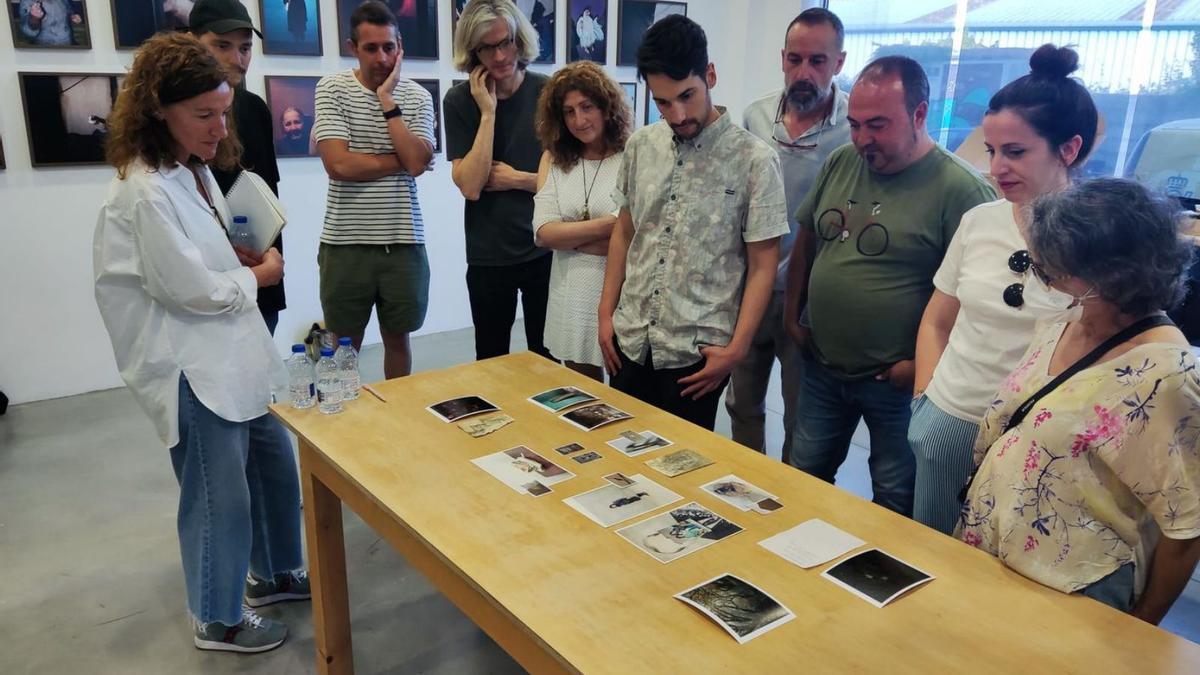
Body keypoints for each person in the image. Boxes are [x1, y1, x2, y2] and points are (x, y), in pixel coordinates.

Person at [94, 32, 307, 653]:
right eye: (203, 115)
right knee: (219, 496)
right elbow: (185, 289)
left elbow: (198, 261)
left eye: (223, 112)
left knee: (273, 466)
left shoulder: (191, 173)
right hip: (188, 365)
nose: (219, 128)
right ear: (160, 110)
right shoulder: (144, 191)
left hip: (230, 354)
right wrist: (257, 275)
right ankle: (217, 616)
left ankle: (273, 574)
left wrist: (231, 256)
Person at [957, 178, 1200, 623]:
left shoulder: (1167, 376)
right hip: (993, 554)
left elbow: (1186, 528)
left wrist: (1140, 628)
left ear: (1114, 274)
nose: (1046, 276)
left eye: (1057, 268)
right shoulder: (1068, 319)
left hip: (1073, 588)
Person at [784, 56, 994, 516]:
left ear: (920, 115)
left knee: (897, 498)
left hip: (898, 384)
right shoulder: (842, 161)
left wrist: (921, 366)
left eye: (878, 125)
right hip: (822, 365)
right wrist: (792, 315)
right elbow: (807, 242)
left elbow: (977, 305)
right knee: (801, 479)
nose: (863, 139)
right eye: (856, 124)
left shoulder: (962, 191)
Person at [909, 45, 1099, 535]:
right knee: (934, 551)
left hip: (1033, 439)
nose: (996, 168)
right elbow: (937, 319)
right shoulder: (979, 220)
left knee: (1002, 575)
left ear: (1069, 149)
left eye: (1015, 152)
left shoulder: (1098, 241)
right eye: (992, 151)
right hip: (949, 417)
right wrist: (925, 399)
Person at [598, 15, 788, 431]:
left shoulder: (754, 161)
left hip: (696, 356)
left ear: (711, 75)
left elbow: (763, 263)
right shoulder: (640, 146)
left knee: (679, 476)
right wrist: (604, 314)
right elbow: (625, 231)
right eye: (663, 102)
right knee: (618, 462)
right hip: (631, 338)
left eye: (687, 95)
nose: (678, 114)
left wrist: (737, 349)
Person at [730, 8, 851, 462]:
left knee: (801, 413)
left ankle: (789, 494)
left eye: (817, 61)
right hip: (749, 286)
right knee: (742, 400)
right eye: (795, 59)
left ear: (838, 62)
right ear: (783, 58)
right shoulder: (755, 116)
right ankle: (745, 481)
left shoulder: (852, 128)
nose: (804, 72)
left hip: (810, 297)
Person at [314, 0, 435, 378]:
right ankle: (340, 424)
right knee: (342, 341)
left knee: (399, 339)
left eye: (389, 47)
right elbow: (338, 165)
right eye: (371, 48)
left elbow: (417, 161)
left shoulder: (417, 97)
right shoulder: (332, 89)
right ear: (353, 48)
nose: (381, 57)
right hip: (345, 243)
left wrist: (387, 102)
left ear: (400, 47)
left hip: (403, 241)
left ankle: (396, 422)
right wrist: (401, 160)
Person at [445, 0, 552, 361]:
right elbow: (471, 185)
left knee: (548, 359)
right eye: (487, 47)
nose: (500, 55)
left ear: (519, 38)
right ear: (472, 51)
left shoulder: (548, 93)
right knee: (490, 362)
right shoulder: (460, 101)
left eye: (505, 42)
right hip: (489, 254)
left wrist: (517, 179)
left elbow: (574, 184)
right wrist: (488, 113)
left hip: (545, 246)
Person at [190, 0, 287, 335]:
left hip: (258, 269)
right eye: (222, 45)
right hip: (204, 280)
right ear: (192, 42)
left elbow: (267, 191)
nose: (236, 58)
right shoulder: (172, 118)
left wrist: (270, 267)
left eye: (245, 47)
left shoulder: (253, 109)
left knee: (260, 377)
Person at [532, 61, 632, 381]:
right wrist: (609, 226)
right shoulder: (555, 159)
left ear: (607, 107)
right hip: (570, 294)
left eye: (587, 107)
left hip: (621, 296)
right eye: (569, 111)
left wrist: (569, 237)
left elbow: (635, 236)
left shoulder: (633, 154)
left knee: (628, 402)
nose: (579, 120)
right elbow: (544, 233)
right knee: (583, 402)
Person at [17, 0, 83, 46]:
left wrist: (72, 16)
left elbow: (69, 9)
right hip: (46, 50)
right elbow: (28, 31)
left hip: (69, 44)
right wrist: (34, 18)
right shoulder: (27, 2)